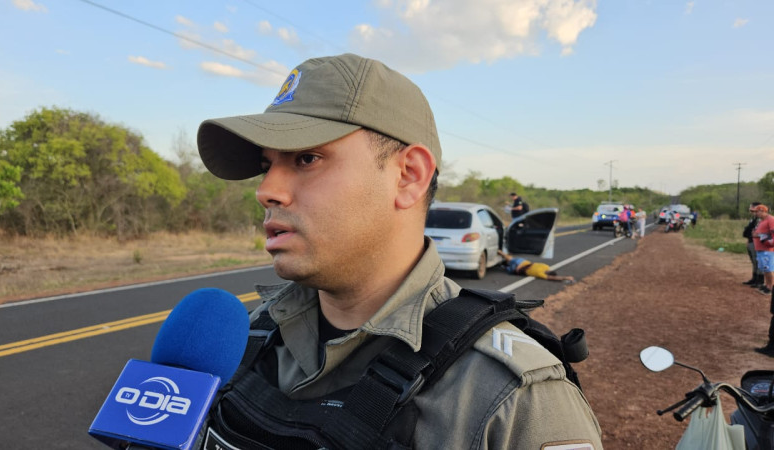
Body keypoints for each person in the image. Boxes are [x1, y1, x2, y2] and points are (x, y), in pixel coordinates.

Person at [194, 54, 602, 448]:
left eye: (306, 158)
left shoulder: (513, 402)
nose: (266, 191)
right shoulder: (243, 337)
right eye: (267, 166)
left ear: (408, 176)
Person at [752, 204, 774, 356]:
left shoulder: (770, 219)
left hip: (766, 250)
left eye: (757, 211)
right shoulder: (761, 221)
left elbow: (772, 236)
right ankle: (768, 285)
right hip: (761, 250)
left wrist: (762, 238)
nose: (755, 213)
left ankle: (770, 286)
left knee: (768, 269)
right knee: (765, 269)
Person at [497, 249, 575, 283]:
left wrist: (566, 277)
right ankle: (502, 263)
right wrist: (565, 278)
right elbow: (553, 278)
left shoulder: (546, 267)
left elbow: (553, 277)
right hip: (519, 269)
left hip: (523, 263)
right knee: (509, 269)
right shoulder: (541, 274)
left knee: (511, 260)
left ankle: (502, 255)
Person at [743, 202, 764, 288]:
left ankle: (760, 280)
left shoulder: (760, 219)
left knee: (758, 262)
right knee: (754, 262)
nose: (751, 211)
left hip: (757, 242)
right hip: (751, 241)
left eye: (752, 209)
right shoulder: (754, 219)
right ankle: (754, 278)